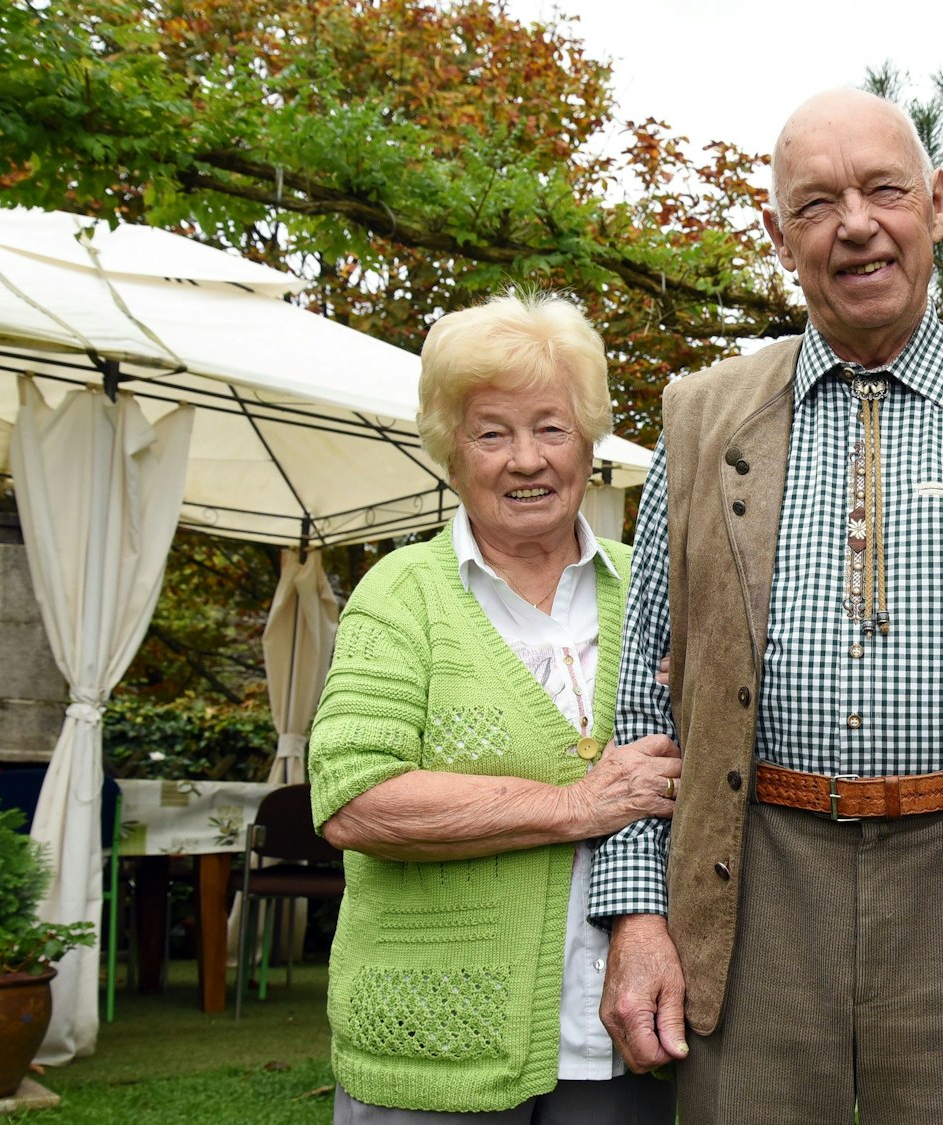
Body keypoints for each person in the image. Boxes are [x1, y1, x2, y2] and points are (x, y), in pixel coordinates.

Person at [590, 89, 943, 1123]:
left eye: (883, 190)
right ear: (778, 236)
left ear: (937, 206)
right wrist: (637, 916)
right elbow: (643, 701)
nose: (854, 222)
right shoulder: (700, 416)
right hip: (750, 888)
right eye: (815, 204)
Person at [308, 293, 680, 1123]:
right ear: (451, 450)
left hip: (621, 1037)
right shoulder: (401, 595)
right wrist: (575, 804)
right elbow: (353, 798)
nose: (526, 460)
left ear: (587, 443)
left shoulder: (652, 589)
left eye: (551, 428)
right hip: (436, 1041)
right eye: (492, 432)